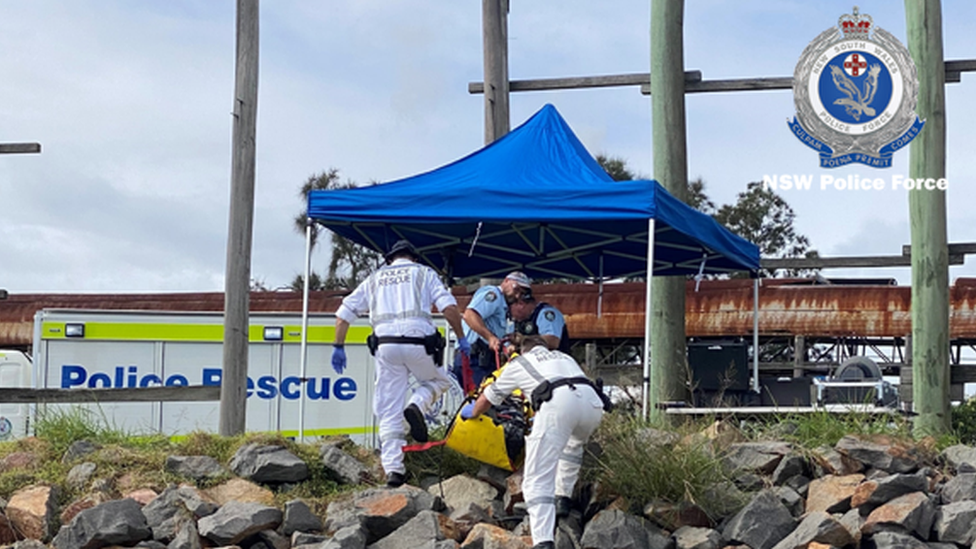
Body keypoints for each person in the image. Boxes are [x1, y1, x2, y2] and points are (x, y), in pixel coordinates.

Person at [330, 239, 470, 488]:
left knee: (388, 407)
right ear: (413, 257)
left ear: (390, 259)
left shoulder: (374, 278)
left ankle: (394, 470)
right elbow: (448, 307)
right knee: (439, 380)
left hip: (385, 347)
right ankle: (417, 404)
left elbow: (342, 316)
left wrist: (338, 347)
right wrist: (461, 337)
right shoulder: (424, 273)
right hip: (420, 343)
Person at [459, 335, 605, 549]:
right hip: (593, 405)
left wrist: (473, 412)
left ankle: (543, 541)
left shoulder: (520, 363)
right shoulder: (564, 357)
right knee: (572, 445)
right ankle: (562, 498)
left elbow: (489, 397)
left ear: (523, 350)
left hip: (559, 404)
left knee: (536, 479)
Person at [452, 271, 532, 387]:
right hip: (474, 360)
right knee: (480, 401)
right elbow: (469, 315)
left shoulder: (504, 306)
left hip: (484, 362)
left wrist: (508, 345)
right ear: (506, 281)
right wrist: (490, 337)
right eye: (516, 289)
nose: (518, 295)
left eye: (522, 293)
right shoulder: (493, 295)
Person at [509, 288, 569, 353]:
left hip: (554, 360)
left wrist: (524, 340)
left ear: (521, 304)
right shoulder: (520, 319)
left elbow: (553, 341)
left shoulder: (545, 313)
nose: (508, 313)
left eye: (509, 309)